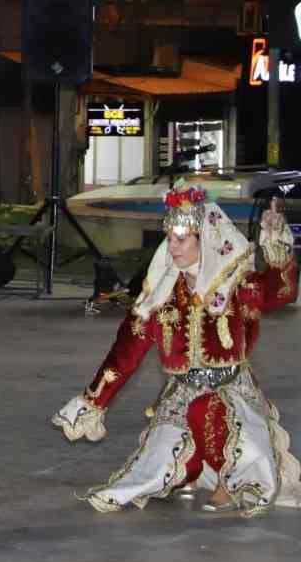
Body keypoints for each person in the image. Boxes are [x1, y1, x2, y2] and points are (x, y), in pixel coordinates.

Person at [52, 188, 300, 515]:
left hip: (230, 394)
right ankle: (195, 471)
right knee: (152, 467)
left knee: (205, 410)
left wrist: (276, 247)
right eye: (169, 238)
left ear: (205, 239)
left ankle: (232, 481)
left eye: (181, 239)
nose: (172, 247)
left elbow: (279, 291)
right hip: (180, 394)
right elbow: (126, 352)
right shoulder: (162, 294)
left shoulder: (236, 285)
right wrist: (92, 401)